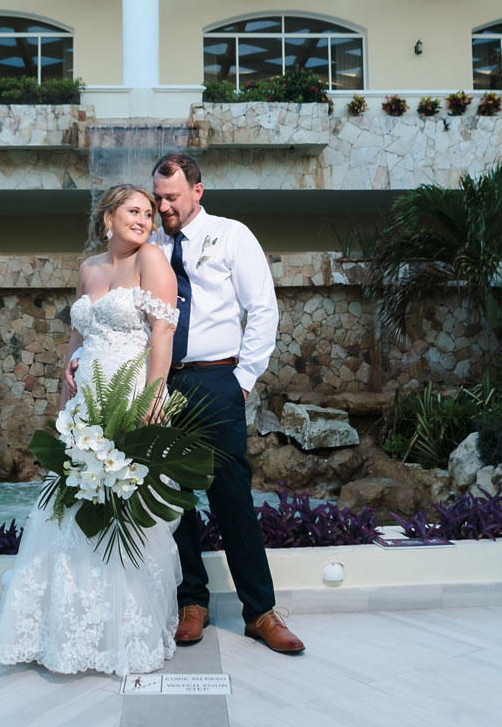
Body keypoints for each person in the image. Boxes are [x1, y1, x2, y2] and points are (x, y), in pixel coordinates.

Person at [0, 183, 182, 676]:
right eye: (134, 211)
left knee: (124, 507)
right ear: (108, 217)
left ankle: (122, 633)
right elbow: (76, 339)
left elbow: (162, 332)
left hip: (128, 395)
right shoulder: (89, 268)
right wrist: (62, 404)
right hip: (84, 402)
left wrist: (152, 398)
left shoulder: (152, 260)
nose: (145, 218)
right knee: (68, 508)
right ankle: (63, 628)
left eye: (148, 212)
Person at [150, 152, 303, 654]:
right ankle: (192, 602)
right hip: (161, 385)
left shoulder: (234, 234)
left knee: (232, 498)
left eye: (172, 197)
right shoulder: (149, 242)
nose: (163, 206)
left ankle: (260, 612)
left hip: (218, 381)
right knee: (173, 498)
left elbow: (263, 309)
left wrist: (242, 380)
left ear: (198, 190)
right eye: (159, 197)